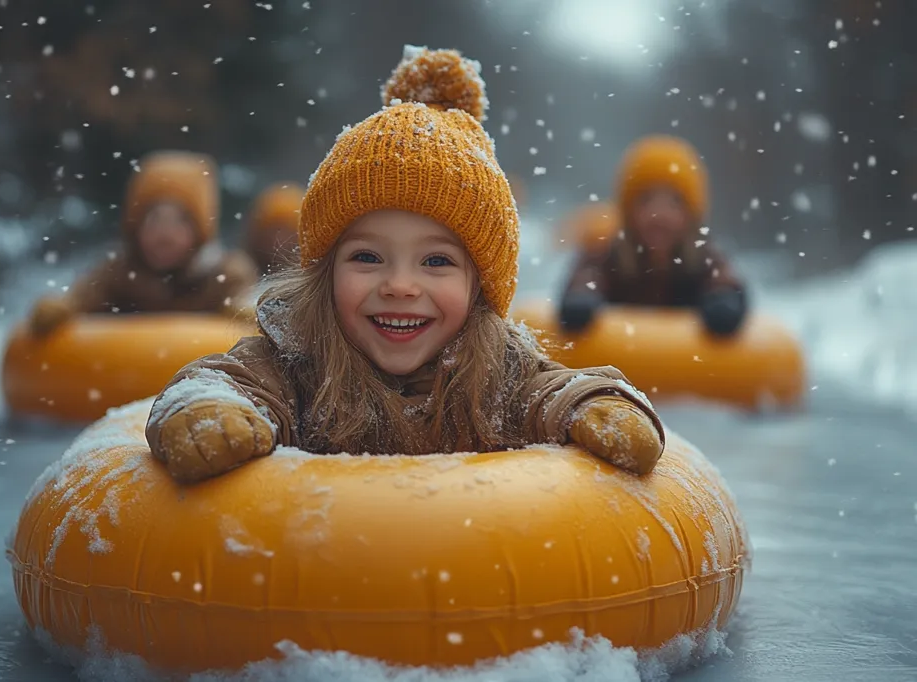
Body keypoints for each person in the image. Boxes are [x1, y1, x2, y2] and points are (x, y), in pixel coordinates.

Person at [144, 46, 665, 485]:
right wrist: (210, 412)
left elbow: (558, 390)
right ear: (324, 275)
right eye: (367, 257)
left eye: (436, 260)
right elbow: (227, 380)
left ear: (480, 287)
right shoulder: (295, 360)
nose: (398, 285)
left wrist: (601, 405)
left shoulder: (499, 372)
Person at [28, 151, 258, 336]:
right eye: (153, 220)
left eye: (180, 222)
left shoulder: (225, 276)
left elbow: (246, 300)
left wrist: (242, 314)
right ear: (135, 228)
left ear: (200, 233)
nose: (164, 235)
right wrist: (61, 309)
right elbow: (80, 298)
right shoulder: (118, 273)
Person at [559, 136, 747, 336]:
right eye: (646, 200)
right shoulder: (607, 254)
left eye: (674, 202)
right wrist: (581, 298)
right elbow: (588, 277)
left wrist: (724, 299)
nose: (659, 215)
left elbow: (723, 280)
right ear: (628, 212)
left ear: (692, 215)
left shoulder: (704, 257)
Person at [244, 182, 305, 275]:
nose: (279, 239)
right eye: (274, 229)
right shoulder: (244, 272)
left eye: (288, 231)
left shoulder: (307, 274)